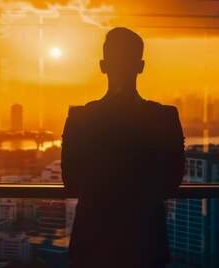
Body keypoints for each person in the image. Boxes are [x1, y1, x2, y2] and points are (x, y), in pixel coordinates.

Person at [61, 27, 185, 268]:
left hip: (92, 245)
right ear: (140, 66)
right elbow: (173, 180)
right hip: (145, 243)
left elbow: (71, 181)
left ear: (103, 65)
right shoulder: (165, 118)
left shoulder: (79, 119)